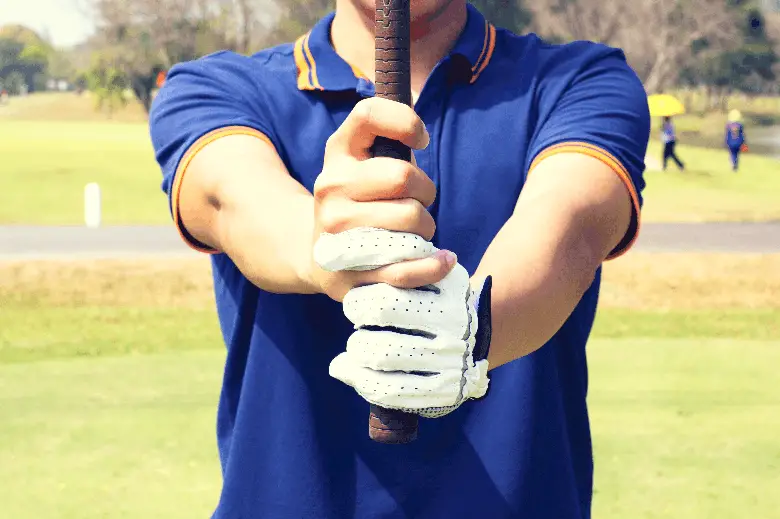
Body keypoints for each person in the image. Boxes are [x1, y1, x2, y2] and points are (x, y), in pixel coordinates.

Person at [149, 1, 650, 518]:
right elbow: (235, 199)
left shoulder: (581, 80)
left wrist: (472, 331)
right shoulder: (214, 88)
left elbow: (570, 227)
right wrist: (327, 246)